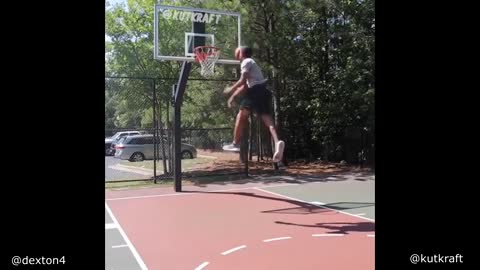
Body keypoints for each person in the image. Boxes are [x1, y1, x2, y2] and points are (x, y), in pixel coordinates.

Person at [222, 46, 285, 162]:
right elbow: (245, 86)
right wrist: (233, 96)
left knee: (241, 116)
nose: (236, 55)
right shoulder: (252, 64)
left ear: (241, 53)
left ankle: (235, 143)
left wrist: (230, 89)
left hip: (255, 92)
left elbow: (242, 80)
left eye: (237, 53)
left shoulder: (246, 61)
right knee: (267, 119)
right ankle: (277, 142)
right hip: (263, 91)